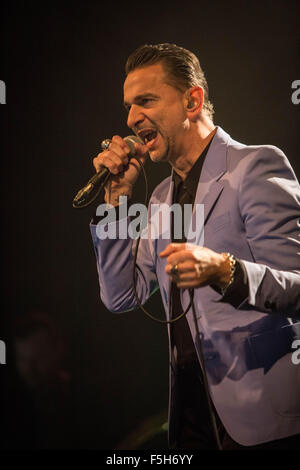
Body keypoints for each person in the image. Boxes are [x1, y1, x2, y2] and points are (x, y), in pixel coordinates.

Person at [89, 43, 300, 449]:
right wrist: (115, 201)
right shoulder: (160, 199)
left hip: (263, 416)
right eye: (129, 107)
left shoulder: (253, 167)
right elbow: (121, 295)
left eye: (145, 101)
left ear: (192, 100)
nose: (132, 119)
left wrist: (225, 270)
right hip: (192, 414)